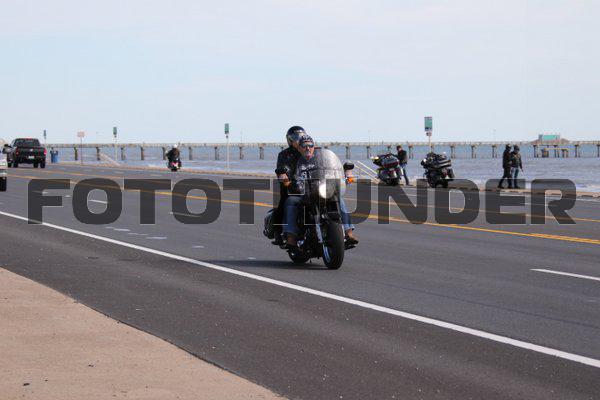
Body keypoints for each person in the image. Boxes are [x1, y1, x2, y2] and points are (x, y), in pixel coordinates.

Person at [283, 135, 358, 248]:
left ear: (314, 147)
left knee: (339, 198)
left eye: (310, 145)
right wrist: (286, 178)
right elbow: (288, 175)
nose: (308, 148)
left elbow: (332, 169)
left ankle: (348, 232)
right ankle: (291, 238)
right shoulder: (296, 162)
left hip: (321, 190)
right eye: (304, 146)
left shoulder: (321, 159)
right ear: (299, 148)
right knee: (290, 201)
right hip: (304, 193)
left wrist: (345, 174)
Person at [271, 126, 305, 245]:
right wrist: (284, 176)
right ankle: (278, 231)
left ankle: (345, 231)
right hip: (291, 186)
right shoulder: (284, 154)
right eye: (296, 137)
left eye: (301, 137)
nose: (299, 140)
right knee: (283, 203)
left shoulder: (309, 152)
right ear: (290, 140)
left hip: (310, 186)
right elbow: (281, 168)